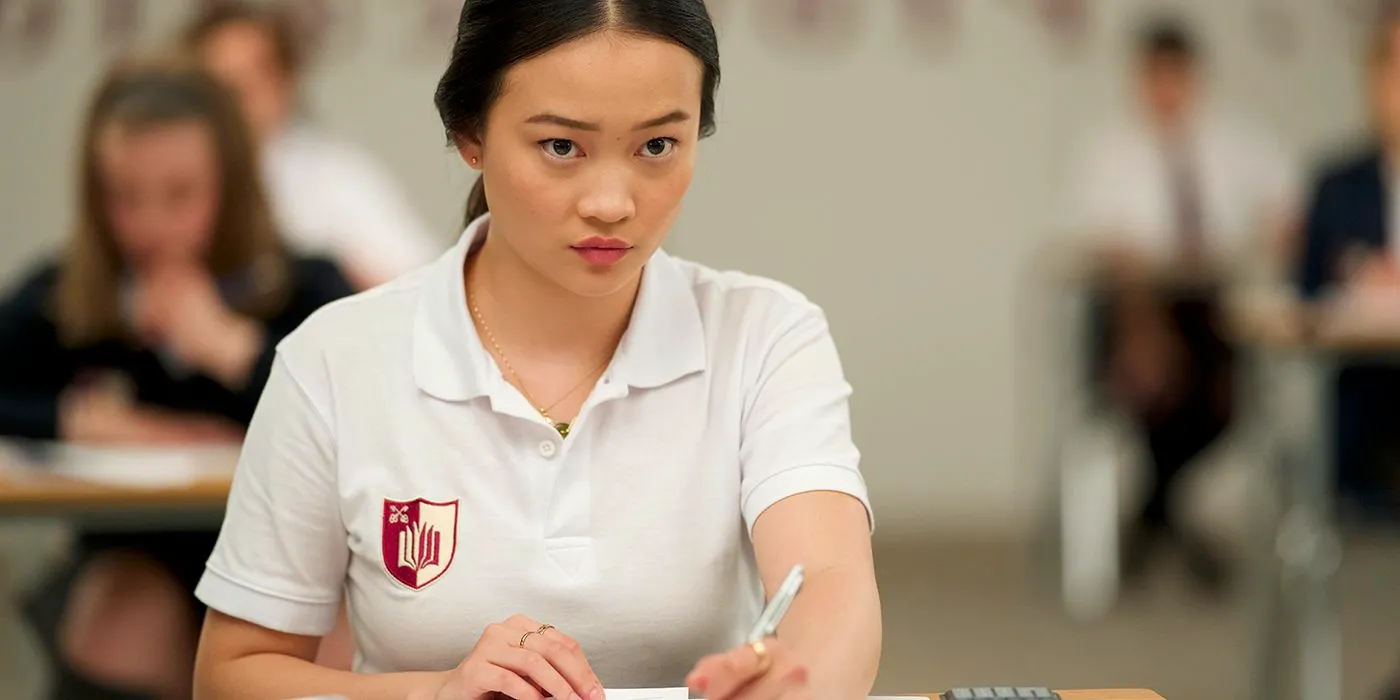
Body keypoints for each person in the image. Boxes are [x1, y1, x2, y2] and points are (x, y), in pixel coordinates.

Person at [191, 2, 881, 699]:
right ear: (470, 133)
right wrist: (434, 693)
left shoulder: (763, 335)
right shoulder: (334, 361)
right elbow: (231, 676)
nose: (612, 202)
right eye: (561, 147)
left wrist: (794, 684)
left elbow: (830, 582)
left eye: (657, 147)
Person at [0, 55, 354, 700]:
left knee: (333, 638)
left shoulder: (305, 286)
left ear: (231, 186)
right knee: (121, 618)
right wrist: (81, 421)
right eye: (124, 198)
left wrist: (233, 350)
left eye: (181, 194)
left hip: (297, 567)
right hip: (141, 561)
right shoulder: (68, 299)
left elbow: (362, 407)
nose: (152, 224)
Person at [1066, 16, 1299, 594]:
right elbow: (1099, 248)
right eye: (1155, 77)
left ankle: (1153, 516)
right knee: (1152, 379)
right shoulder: (1108, 149)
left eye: (1177, 76)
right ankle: (1168, 522)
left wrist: (1266, 237)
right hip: (1135, 313)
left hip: (1213, 312)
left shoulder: (1237, 141)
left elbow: (1287, 211)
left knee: (1226, 395)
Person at [182, 1, 442, 289]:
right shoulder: (172, 182)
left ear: (285, 81)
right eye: (221, 87)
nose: (239, 100)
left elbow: (421, 284)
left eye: (252, 79)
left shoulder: (335, 174)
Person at [1297, 8, 1400, 524]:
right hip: (1362, 384)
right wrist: (1358, 272)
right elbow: (1307, 288)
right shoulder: (1336, 185)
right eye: (1393, 66)